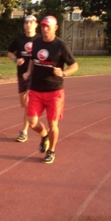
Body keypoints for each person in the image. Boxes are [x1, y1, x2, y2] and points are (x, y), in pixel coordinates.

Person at [23, 15, 79, 164]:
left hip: (54, 91)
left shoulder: (61, 45)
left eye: (48, 26)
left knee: (53, 124)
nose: (45, 29)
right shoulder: (36, 43)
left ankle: (51, 151)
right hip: (36, 89)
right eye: (43, 26)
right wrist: (29, 72)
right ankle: (44, 136)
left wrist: (64, 72)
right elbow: (32, 60)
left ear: (55, 28)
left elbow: (75, 65)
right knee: (32, 122)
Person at [6, 14, 40, 143]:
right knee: (23, 103)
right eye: (26, 23)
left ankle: (24, 131)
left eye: (31, 22)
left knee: (27, 102)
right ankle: (31, 116)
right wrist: (15, 59)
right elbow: (9, 52)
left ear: (36, 25)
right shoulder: (19, 39)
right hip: (21, 73)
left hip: (36, 74)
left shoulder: (40, 40)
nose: (28, 25)